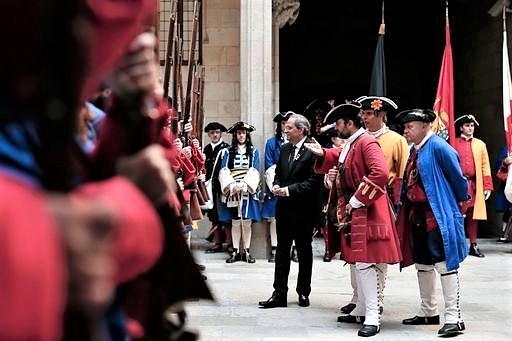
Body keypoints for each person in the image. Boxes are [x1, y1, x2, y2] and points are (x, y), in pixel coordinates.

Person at [305, 103, 402, 337]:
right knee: (359, 262)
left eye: (339, 125)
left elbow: (379, 173)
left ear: (349, 124)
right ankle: (361, 309)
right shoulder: (354, 143)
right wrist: (324, 154)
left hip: (368, 209)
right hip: (359, 211)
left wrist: (358, 200)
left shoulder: (366, 142)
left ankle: (372, 316)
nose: (337, 130)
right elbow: (340, 157)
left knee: (366, 264)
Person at [396, 109, 468, 337]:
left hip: (437, 215)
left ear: (426, 126)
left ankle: (454, 317)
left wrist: (454, 207)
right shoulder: (415, 149)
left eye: (410, 126)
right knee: (423, 263)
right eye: (405, 127)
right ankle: (428, 311)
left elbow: (459, 180)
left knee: (445, 264)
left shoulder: (438, 146)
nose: (406, 130)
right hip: (417, 216)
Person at [335, 96, 409, 315]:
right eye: (363, 114)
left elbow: (396, 176)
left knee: (375, 258)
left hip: (377, 204)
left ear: (381, 115)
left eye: (368, 114)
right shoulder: (357, 141)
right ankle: (361, 304)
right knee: (359, 258)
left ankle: (375, 308)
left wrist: (396, 207)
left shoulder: (390, 140)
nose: (364, 117)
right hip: (358, 205)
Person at [259, 113, 322, 309]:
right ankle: (279, 293)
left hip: (304, 210)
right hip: (284, 209)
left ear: (301, 130)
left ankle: (303, 291)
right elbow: (278, 172)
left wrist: (288, 190)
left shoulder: (314, 149)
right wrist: (276, 185)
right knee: (282, 252)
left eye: (289, 128)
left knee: (304, 252)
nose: (284, 131)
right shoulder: (285, 148)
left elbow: (314, 182)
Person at [219, 121, 262, 263]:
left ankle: (246, 252)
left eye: (243, 133)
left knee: (247, 222)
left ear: (247, 135)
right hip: (232, 191)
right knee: (235, 222)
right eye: (239, 133)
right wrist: (232, 186)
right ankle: (236, 252)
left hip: (247, 191)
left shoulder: (254, 152)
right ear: (235, 135)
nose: (241, 135)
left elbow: (255, 170)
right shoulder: (227, 151)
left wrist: (244, 185)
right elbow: (223, 170)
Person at [453, 114, 493, 257]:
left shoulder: (480, 144)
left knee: (473, 216)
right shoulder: (453, 143)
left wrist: (487, 186)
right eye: (467, 126)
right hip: (458, 184)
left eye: (472, 126)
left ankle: (473, 244)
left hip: (474, 184)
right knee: (457, 214)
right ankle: (458, 245)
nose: (470, 128)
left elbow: (485, 166)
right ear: (461, 128)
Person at [262, 111, 299, 263]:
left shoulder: (297, 141)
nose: (285, 127)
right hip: (277, 184)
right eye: (283, 124)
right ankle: (275, 248)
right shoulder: (271, 143)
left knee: (295, 217)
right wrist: (276, 185)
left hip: (293, 185)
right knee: (275, 219)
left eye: (288, 124)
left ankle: (295, 248)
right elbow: (269, 164)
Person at [203, 122, 232, 253]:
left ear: (221, 133)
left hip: (222, 188)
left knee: (225, 216)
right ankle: (217, 243)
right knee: (213, 216)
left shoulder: (226, 148)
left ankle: (230, 244)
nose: (215, 135)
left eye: (217, 132)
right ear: (209, 134)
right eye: (212, 133)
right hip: (210, 187)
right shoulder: (207, 149)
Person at [496, 145, 512, 242]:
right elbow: (498, 166)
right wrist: (505, 163)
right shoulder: (506, 149)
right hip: (509, 183)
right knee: (508, 210)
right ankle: (504, 233)